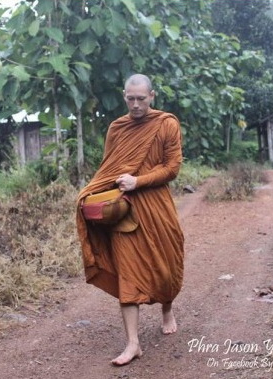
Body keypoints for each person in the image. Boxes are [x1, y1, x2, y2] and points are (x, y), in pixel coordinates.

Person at [76, 74, 185, 366]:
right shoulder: (117, 128)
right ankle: (133, 343)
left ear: (152, 96)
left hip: (156, 206)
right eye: (130, 98)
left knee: (165, 266)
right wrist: (92, 194)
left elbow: (172, 168)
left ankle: (167, 308)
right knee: (128, 272)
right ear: (124, 96)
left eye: (141, 98)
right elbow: (110, 167)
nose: (135, 105)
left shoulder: (166, 124)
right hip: (124, 210)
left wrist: (139, 181)